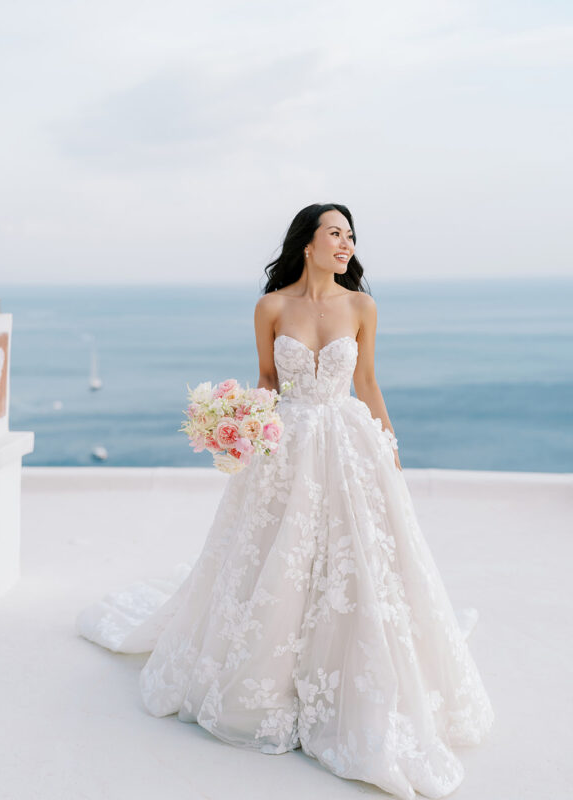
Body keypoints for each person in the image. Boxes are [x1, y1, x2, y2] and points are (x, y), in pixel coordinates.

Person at [76, 203, 494, 800]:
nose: (346, 244)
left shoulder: (363, 306)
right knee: (281, 557)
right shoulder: (271, 306)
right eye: (335, 234)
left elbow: (368, 382)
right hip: (287, 444)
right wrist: (240, 426)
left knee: (358, 560)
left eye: (351, 236)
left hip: (350, 442)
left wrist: (389, 445)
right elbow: (268, 380)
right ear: (307, 243)